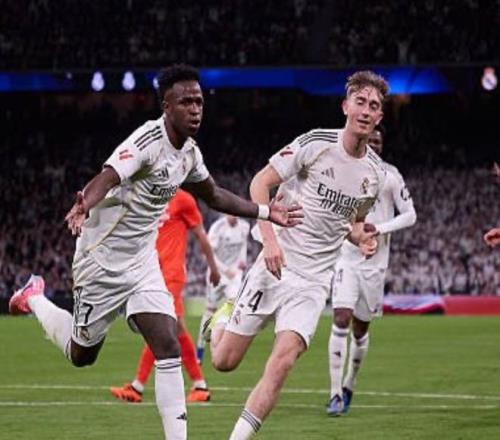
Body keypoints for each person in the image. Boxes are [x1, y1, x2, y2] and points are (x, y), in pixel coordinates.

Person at [8, 64, 301, 440]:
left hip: (142, 262)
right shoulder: (146, 141)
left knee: (167, 343)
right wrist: (84, 204)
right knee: (81, 354)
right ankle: (34, 297)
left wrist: (265, 211)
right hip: (101, 259)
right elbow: (107, 177)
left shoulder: (189, 154)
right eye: (186, 102)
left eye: (199, 102)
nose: (195, 109)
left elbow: (214, 195)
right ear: (166, 107)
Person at [206, 70, 389, 440]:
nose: (366, 111)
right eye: (360, 102)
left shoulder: (375, 175)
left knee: (282, 363)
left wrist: (361, 238)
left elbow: (350, 223)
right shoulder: (316, 143)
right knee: (224, 361)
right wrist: (270, 242)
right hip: (275, 265)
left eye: (374, 106)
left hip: (313, 282)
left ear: (380, 116)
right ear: (346, 106)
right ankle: (222, 316)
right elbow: (260, 183)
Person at [326, 127, 417, 416]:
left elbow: (410, 215)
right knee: (341, 318)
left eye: (378, 141)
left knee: (360, 328)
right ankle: (334, 393)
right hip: (347, 259)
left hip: (375, 265)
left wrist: (379, 228)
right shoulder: (344, 171)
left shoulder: (391, 176)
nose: (374, 144)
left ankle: (349, 384)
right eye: (370, 139)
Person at [110, 189, 220, 404]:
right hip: (153, 273)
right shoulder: (152, 197)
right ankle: (200, 385)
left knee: (159, 327)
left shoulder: (183, 200)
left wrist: (213, 268)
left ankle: (137, 387)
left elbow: (201, 235)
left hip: (171, 275)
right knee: (176, 328)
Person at [196, 214, 250, 364]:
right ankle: (199, 350)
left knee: (235, 308)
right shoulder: (217, 228)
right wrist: (225, 270)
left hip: (234, 275)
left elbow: (243, 246)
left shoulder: (244, 226)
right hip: (217, 274)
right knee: (209, 310)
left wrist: (241, 263)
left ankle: (226, 346)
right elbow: (209, 254)